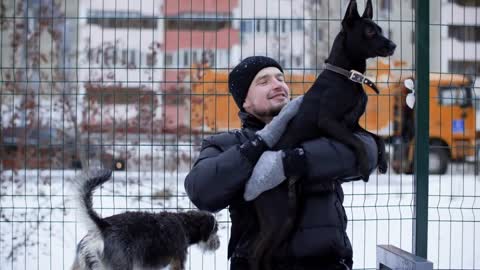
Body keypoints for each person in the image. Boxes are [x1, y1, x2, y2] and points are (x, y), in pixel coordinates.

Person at [184, 56, 379, 270]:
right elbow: (201, 190)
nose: (278, 85)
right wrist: (261, 142)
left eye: (280, 78)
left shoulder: (319, 131)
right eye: (264, 81)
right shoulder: (225, 144)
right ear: (245, 101)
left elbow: (367, 152)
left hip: (326, 263)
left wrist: (292, 161)